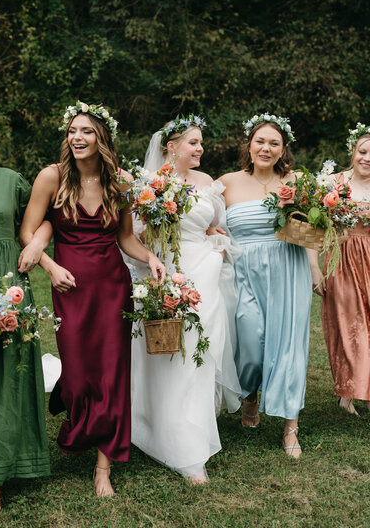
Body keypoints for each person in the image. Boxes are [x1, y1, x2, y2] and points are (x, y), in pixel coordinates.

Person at [19, 101, 165, 497]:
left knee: (113, 373)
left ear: (102, 139)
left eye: (86, 132)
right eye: (72, 132)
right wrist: (49, 267)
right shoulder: (51, 178)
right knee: (80, 371)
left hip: (112, 286)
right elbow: (28, 231)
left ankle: (104, 465)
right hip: (70, 287)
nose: (77, 138)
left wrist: (149, 255)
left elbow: (126, 237)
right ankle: (70, 399)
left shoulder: (121, 182)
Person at [131, 114, 242, 482]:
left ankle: (193, 435)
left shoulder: (208, 181)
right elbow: (136, 236)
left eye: (200, 143)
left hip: (206, 276)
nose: (200, 149)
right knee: (172, 352)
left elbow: (211, 224)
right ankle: (170, 436)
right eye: (193, 143)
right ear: (171, 147)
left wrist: (218, 245)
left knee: (201, 354)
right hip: (168, 273)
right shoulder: (151, 184)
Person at [0, 101, 50, 521]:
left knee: (1, 379)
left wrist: (36, 243)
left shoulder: (10, 180)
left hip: (5, 291)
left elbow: (47, 216)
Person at [220, 113, 313, 458]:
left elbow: (311, 231)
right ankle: (250, 394)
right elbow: (207, 220)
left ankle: (291, 427)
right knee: (250, 339)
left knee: (289, 346)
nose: (266, 148)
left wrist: (299, 208)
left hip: (288, 268)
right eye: (260, 141)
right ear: (249, 144)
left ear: (283, 149)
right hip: (243, 271)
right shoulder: (227, 182)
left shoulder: (299, 181)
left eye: (274, 143)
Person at [309, 123, 370, 416]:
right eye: (363, 151)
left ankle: (363, 387)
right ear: (353, 151)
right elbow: (312, 227)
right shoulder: (334, 183)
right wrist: (314, 268)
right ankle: (349, 390)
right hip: (342, 259)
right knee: (350, 323)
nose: (367, 158)